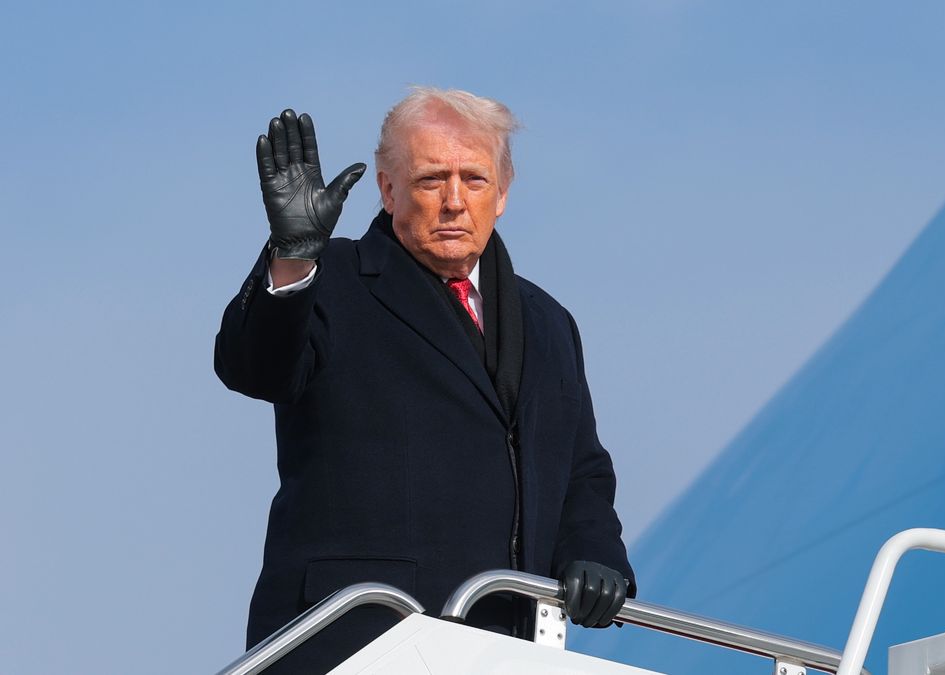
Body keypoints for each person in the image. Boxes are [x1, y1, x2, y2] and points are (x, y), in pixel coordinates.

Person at [215, 87, 634, 673]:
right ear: (389, 190)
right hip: (355, 641)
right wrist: (291, 257)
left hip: (507, 649)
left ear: (504, 193)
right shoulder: (329, 278)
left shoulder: (548, 322)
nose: (455, 202)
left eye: (475, 180)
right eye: (433, 180)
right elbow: (253, 367)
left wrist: (595, 553)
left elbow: (581, 469)